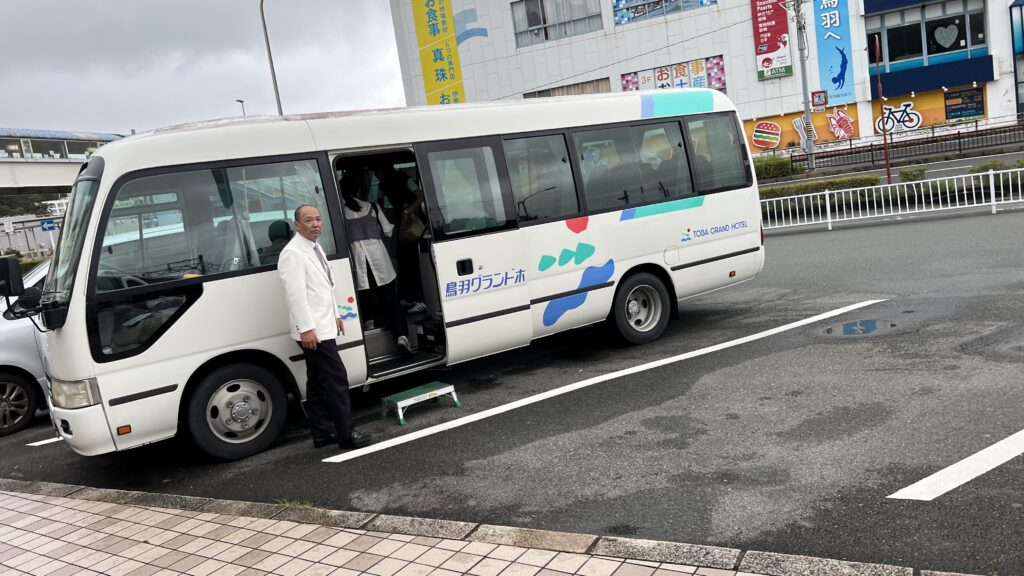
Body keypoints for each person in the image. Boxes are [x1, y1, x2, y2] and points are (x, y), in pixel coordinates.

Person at [277, 204, 372, 450]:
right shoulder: (293, 253)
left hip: (323, 323)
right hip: (313, 331)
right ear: (297, 225)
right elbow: (295, 296)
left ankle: (322, 433)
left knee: (317, 382)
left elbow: (325, 287)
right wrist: (306, 328)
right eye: (309, 220)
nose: (316, 224)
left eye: (318, 219)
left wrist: (336, 315)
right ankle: (346, 435)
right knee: (336, 379)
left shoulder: (314, 247)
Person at [339, 176, 412, 353]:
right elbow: (388, 230)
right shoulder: (371, 206)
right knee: (390, 299)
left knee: (364, 298)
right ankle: (402, 337)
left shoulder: (340, 211)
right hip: (378, 260)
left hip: (358, 262)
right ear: (358, 190)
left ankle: (369, 327)